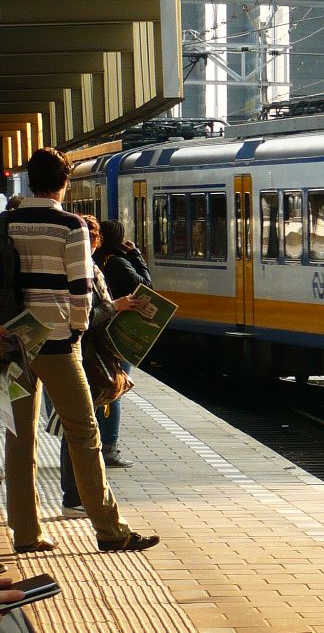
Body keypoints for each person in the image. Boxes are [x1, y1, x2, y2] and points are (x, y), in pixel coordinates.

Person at [4, 147, 159, 553]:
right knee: (84, 434)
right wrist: (77, 329)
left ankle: (26, 533)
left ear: (30, 181)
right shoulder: (69, 225)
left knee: (19, 439)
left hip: (13, 346)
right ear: (64, 183)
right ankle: (111, 530)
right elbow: (80, 287)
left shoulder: (6, 223)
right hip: (56, 345)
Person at [59, 216, 150, 515]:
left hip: (81, 351)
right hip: (88, 353)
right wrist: (117, 306)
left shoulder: (85, 265)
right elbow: (86, 317)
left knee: (79, 424)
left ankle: (77, 496)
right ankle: (75, 497)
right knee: (83, 427)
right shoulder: (87, 268)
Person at [91, 219, 151, 468]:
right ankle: (109, 448)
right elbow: (146, 286)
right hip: (117, 333)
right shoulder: (118, 262)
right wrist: (136, 255)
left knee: (98, 387)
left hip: (95, 333)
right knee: (115, 388)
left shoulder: (94, 262)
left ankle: (96, 443)